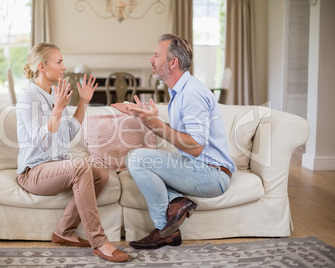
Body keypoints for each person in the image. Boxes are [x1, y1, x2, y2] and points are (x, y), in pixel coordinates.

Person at [112, 34, 236, 250]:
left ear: (173, 62)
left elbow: (196, 146)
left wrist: (153, 123)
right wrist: (150, 118)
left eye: (156, 55)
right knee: (141, 164)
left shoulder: (192, 94)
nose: (151, 59)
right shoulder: (180, 92)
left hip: (212, 174)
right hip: (202, 169)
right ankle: (178, 202)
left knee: (137, 158)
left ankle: (164, 230)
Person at [16, 42, 130, 263]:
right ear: (41, 66)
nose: (63, 67)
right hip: (33, 172)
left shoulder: (52, 93)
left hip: (55, 168)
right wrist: (58, 110)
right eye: (58, 62)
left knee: (101, 174)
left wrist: (83, 102)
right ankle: (100, 242)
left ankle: (64, 231)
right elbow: (41, 142)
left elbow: (68, 134)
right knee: (80, 166)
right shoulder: (30, 97)